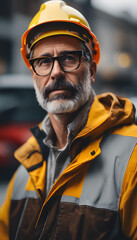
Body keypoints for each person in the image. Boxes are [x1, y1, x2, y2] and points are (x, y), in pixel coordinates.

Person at [0, 1, 137, 239]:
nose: (55, 72)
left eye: (69, 58)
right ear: (34, 76)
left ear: (91, 70)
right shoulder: (26, 169)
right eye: (43, 61)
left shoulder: (132, 158)